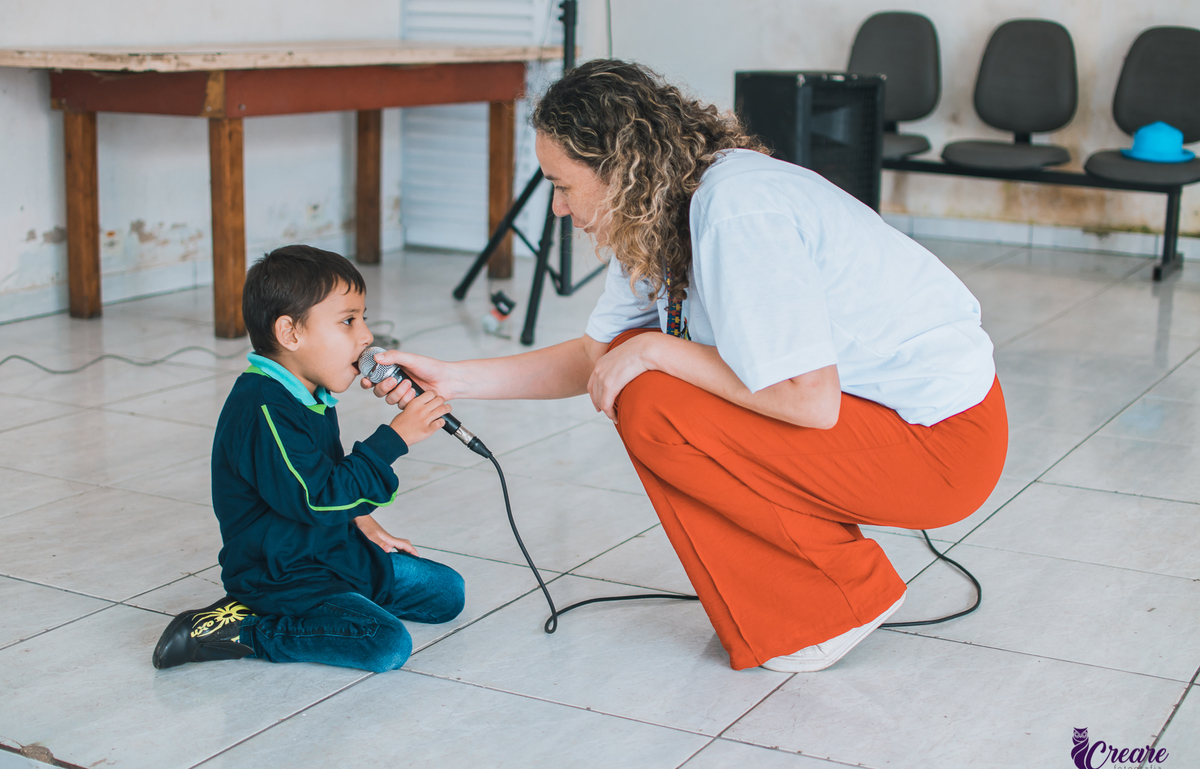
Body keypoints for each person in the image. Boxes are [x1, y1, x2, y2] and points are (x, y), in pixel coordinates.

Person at [365, 60, 1008, 673]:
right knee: (634, 369)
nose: (558, 209)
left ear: (618, 169)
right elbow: (594, 360)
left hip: (944, 446)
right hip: (881, 425)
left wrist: (656, 348)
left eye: (562, 186)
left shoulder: (737, 209)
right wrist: (454, 378)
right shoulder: (655, 214)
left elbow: (809, 400)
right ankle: (816, 597)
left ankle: (834, 605)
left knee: (653, 397)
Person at [153, 245, 465, 672]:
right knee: (385, 644)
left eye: (363, 318)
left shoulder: (311, 393)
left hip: (330, 550)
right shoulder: (262, 408)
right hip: (281, 572)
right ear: (290, 333)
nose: (366, 337)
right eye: (348, 321)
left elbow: (325, 473)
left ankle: (344, 600)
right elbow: (316, 497)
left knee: (448, 593)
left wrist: (362, 520)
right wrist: (394, 439)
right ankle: (241, 629)